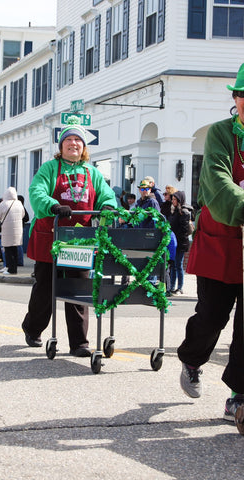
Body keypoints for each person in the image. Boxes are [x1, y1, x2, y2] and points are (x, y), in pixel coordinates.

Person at [177, 63, 244, 427]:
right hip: (222, 243)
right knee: (212, 316)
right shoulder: (220, 134)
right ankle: (191, 359)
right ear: (236, 98)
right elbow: (217, 181)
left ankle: (238, 396)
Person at [22, 121, 117, 357]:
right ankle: (32, 328)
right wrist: (53, 206)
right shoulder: (50, 168)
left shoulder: (92, 172)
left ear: (83, 146)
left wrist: (107, 208)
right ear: (61, 146)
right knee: (46, 287)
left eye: (77, 140)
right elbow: (37, 192)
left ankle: (79, 343)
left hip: (80, 241)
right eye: (68, 140)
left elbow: (107, 196)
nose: (73, 144)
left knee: (77, 288)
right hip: (50, 237)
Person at [0, 187, 24, 275]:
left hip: (7, 230)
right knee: (14, 250)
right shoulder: (19, 203)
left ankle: (10, 269)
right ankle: (13, 268)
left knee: (8, 250)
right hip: (18, 231)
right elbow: (23, 215)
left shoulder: (3, 204)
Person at [167, 191, 190, 295]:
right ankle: (171, 286)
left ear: (180, 200)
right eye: (172, 199)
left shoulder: (184, 212)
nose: (173, 201)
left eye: (175, 199)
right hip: (174, 241)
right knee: (173, 265)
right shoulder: (174, 211)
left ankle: (180, 287)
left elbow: (184, 230)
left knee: (178, 265)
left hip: (180, 242)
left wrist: (177, 237)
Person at [17, 195, 29, 267]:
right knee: (19, 244)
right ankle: (19, 260)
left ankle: (20, 261)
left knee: (18, 245)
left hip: (20, 227)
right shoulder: (23, 208)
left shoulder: (21, 208)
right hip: (22, 227)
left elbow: (26, 218)